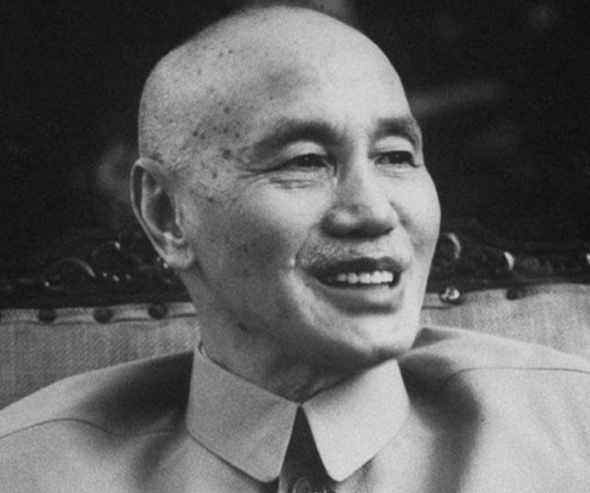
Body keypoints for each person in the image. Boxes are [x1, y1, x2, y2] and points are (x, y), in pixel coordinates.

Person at [1, 5, 589, 492]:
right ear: (166, 215)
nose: (373, 212)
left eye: (395, 156)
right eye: (305, 161)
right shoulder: (28, 469)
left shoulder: (572, 431)